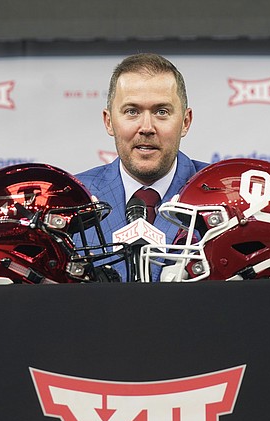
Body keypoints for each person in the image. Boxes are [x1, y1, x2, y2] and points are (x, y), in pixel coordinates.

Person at [77, 53, 208, 281]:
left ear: (185, 122)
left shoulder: (222, 195)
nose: (146, 127)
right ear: (109, 122)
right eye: (132, 111)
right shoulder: (74, 199)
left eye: (161, 112)